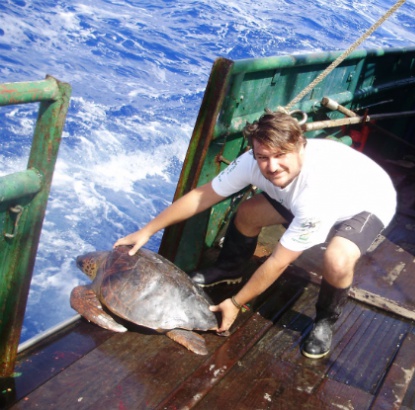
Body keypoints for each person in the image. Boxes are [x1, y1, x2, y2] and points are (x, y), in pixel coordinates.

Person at [114, 110, 397, 359]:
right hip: (302, 198)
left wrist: (236, 303)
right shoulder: (254, 161)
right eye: (263, 157)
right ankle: (229, 267)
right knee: (248, 213)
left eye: (281, 155)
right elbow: (202, 196)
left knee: (337, 259)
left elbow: (277, 261)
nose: (271, 166)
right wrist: (147, 230)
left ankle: (325, 319)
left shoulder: (315, 193)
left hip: (366, 201)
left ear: (301, 146)